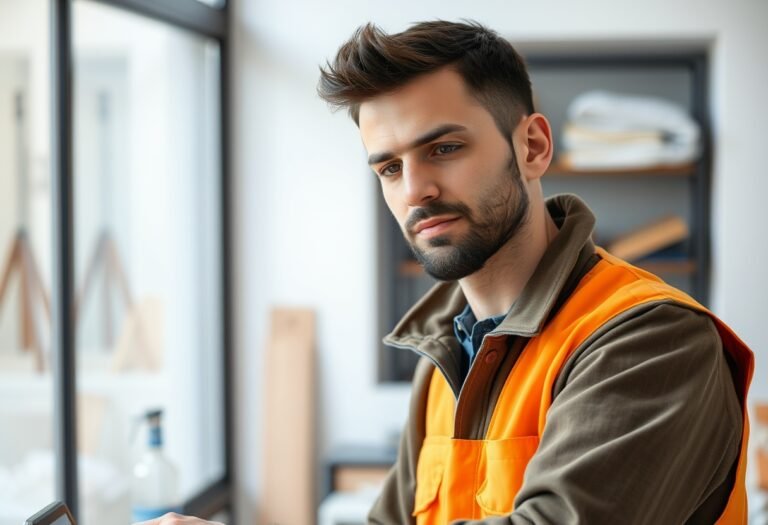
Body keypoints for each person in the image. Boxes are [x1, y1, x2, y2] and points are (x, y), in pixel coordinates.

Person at [316, 20, 754, 524]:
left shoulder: (652, 338)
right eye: (390, 168)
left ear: (533, 148)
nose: (415, 190)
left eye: (443, 149)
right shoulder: (441, 354)